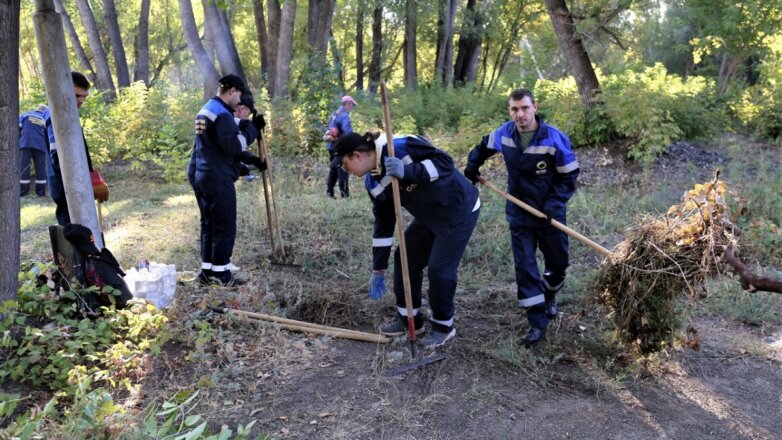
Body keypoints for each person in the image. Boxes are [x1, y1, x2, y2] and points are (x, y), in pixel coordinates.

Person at [332, 131, 480, 348]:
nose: (345, 170)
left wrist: (408, 171)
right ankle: (410, 319)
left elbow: (445, 163)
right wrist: (378, 268)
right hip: (427, 215)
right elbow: (384, 222)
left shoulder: (400, 146)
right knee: (405, 258)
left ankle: (443, 326)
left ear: (356, 156)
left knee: (439, 269)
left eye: (345, 164)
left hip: (457, 209)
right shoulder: (372, 183)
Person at [464, 88, 579, 347]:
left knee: (558, 264)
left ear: (535, 107)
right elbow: (483, 146)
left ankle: (549, 295)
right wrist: (473, 164)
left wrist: (554, 203)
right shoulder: (505, 133)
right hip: (518, 212)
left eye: (525, 108)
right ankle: (537, 322)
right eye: (514, 109)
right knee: (525, 267)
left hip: (549, 213)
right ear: (510, 111)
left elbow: (569, 175)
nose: (520, 114)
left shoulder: (553, 138)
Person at [190, 74, 265, 286]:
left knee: (209, 225)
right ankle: (222, 276)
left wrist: (247, 125)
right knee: (224, 226)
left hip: (203, 175)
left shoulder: (207, 110)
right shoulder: (221, 114)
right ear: (232, 90)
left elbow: (218, 142)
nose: (239, 101)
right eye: (239, 96)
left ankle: (207, 272)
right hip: (218, 178)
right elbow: (233, 145)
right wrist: (252, 130)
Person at [45, 71, 100, 225]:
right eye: (77, 96)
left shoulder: (70, 115)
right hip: (66, 187)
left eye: (84, 97)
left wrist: (91, 178)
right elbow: (57, 157)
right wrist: (79, 179)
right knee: (73, 234)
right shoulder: (54, 116)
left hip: (78, 186)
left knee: (85, 232)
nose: (81, 100)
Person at [324, 95, 357, 198]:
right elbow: (347, 132)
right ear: (347, 104)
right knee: (343, 169)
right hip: (340, 147)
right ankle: (345, 195)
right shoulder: (344, 116)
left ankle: (329, 192)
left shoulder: (335, 113)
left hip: (331, 146)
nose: (352, 107)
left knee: (333, 169)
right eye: (351, 105)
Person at [19, 104, 49, 197]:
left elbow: (18, 128)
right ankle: (40, 192)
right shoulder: (44, 119)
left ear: (36, 109)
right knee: (40, 169)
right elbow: (47, 135)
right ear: (44, 112)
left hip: (25, 144)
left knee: (24, 167)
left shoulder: (24, 115)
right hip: (40, 146)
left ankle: (23, 191)